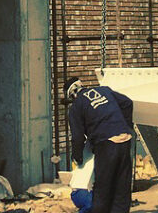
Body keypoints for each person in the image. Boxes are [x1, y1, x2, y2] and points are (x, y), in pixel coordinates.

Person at [65, 78, 134, 213]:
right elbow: (127, 103)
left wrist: (78, 157)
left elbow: (77, 137)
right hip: (125, 139)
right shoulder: (104, 90)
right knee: (121, 187)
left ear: (72, 94)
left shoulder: (76, 106)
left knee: (103, 189)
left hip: (106, 144)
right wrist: (126, 126)